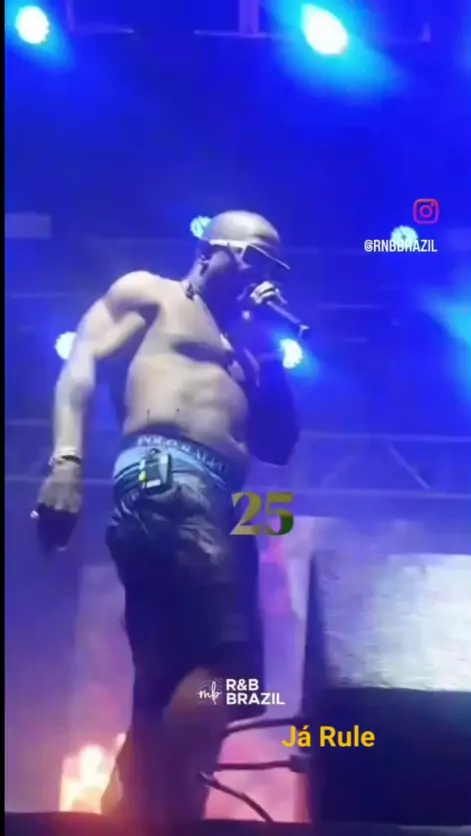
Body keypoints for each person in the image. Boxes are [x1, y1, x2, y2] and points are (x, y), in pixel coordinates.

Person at [33, 210, 299, 823]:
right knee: (230, 668)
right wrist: (67, 460)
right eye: (254, 257)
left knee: (177, 681)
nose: (264, 275)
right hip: (168, 479)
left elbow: (279, 444)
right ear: (209, 251)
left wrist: (269, 354)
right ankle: (164, 806)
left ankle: (134, 807)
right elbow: (80, 364)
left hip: (228, 504)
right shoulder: (152, 294)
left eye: (276, 268)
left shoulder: (249, 347)